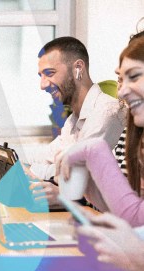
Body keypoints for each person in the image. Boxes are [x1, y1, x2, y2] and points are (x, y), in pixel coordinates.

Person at [56, 35, 144, 226]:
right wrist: (92, 193)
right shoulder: (133, 132)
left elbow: (136, 217)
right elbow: (134, 214)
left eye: (134, 76)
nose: (120, 91)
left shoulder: (110, 113)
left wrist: (94, 152)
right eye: (120, 78)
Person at [28, 36, 127, 205]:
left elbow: (73, 175)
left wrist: (37, 171)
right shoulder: (74, 119)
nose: (42, 85)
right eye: (40, 76)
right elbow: (45, 158)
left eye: (49, 73)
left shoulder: (107, 112)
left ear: (78, 68)